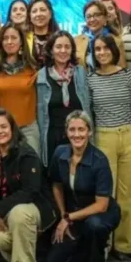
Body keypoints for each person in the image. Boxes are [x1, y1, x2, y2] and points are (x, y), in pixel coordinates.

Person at [46, 111, 121, 262]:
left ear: (89, 132)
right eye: (72, 130)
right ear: (66, 132)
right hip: (74, 212)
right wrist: (63, 215)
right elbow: (56, 185)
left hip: (100, 213)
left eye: (81, 129)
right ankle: (86, 251)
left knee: (94, 226)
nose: (77, 134)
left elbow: (101, 205)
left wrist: (69, 218)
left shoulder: (99, 160)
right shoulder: (60, 153)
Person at [87, 35, 131, 258]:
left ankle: (126, 245)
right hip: (103, 138)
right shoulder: (90, 79)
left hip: (129, 136)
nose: (102, 53)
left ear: (113, 50)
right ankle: (106, 245)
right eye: (97, 49)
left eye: (105, 48)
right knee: (106, 195)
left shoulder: (128, 75)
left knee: (129, 195)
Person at [0, 109, 57, 262]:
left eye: (3, 127)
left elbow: (30, 191)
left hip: (35, 206)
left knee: (19, 214)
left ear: (12, 128)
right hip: (6, 208)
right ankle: (22, 253)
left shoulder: (26, 154)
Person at [36, 31, 92, 166]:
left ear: (72, 50)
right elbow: (40, 113)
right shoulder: (41, 76)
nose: (63, 50)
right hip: (53, 137)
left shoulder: (80, 72)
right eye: (58, 46)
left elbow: (88, 107)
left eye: (67, 47)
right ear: (51, 50)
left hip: (78, 136)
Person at [0, 23, 40, 154]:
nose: (9, 42)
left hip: (28, 130)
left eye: (14, 38)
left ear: (21, 42)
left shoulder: (32, 67)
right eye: (5, 38)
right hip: (1, 130)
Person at [75, 0, 126, 69]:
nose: (92, 19)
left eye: (96, 15)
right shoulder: (77, 41)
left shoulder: (116, 41)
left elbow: (122, 69)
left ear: (105, 18)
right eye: (88, 16)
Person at [27, 0, 59, 66]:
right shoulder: (24, 39)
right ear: (29, 16)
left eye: (42, 10)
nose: (38, 14)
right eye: (34, 11)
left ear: (50, 14)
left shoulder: (59, 38)